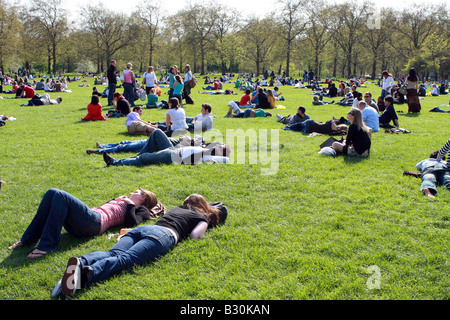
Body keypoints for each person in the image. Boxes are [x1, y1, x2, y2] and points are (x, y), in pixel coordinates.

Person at [51, 194, 226, 297]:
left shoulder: (176, 209)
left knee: (112, 253)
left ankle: (82, 261)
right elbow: (196, 236)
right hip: (163, 235)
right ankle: (85, 276)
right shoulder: (201, 217)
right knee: (125, 260)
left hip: (144, 229)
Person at [8, 188, 165, 259]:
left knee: (60, 195)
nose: (131, 193)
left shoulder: (141, 210)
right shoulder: (127, 201)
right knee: (52, 194)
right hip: (87, 220)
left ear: (143, 197)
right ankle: (27, 239)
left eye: (135, 192)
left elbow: (132, 222)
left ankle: (47, 246)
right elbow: (108, 209)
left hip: (94, 223)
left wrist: (129, 202)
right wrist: (116, 201)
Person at [102, 130, 230, 167]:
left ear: (221, 153)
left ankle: (114, 162)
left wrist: (222, 153)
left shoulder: (211, 157)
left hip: (173, 156)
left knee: (144, 158)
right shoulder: (207, 149)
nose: (218, 145)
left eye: (220, 147)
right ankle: (134, 158)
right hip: (173, 149)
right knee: (157, 133)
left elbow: (226, 160)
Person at [282, 118, 348, 136]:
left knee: (299, 125)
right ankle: (288, 128)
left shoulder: (332, 122)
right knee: (299, 129)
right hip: (309, 131)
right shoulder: (333, 132)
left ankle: (287, 127)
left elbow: (333, 120)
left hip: (311, 123)